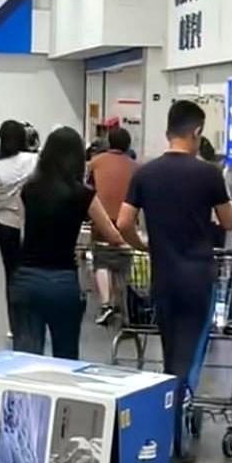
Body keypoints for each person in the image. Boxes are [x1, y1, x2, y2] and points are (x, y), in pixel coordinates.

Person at [118, 100, 232, 458]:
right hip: (198, 279)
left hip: (164, 277)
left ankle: (166, 431)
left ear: (168, 130)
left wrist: (141, 245)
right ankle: (174, 441)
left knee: (171, 355)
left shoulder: (145, 173)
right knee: (186, 361)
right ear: (197, 132)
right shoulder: (208, 174)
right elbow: (229, 220)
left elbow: (124, 222)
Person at [9, 126, 125, 359]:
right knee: (65, 357)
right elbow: (112, 235)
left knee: (25, 359)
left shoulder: (28, 189)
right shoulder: (83, 194)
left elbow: (21, 227)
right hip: (62, 282)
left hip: (26, 279)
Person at [87, 126, 137, 325]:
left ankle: (106, 303)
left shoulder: (95, 162)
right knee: (123, 262)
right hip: (126, 219)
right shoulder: (135, 167)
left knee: (101, 260)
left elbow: (87, 187)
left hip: (101, 218)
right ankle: (121, 303)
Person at [0, 119, 39, 284]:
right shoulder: (34, 160)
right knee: (31, 269)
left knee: (10, 270)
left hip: (5, 221)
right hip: (31, 220)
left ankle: (12, 298)